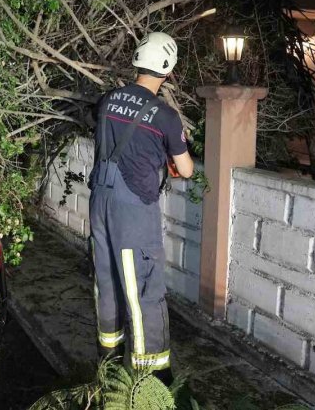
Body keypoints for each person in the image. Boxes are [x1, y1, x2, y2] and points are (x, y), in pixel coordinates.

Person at [88, 31, 194, 385]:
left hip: (100, 202)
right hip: (133, 211)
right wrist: (171, 151)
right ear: (168, 70)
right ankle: (153, 377)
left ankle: (108, 362)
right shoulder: (164, 115)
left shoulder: (108, 101)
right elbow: (188, 169)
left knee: (108, 281)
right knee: (144, 287)